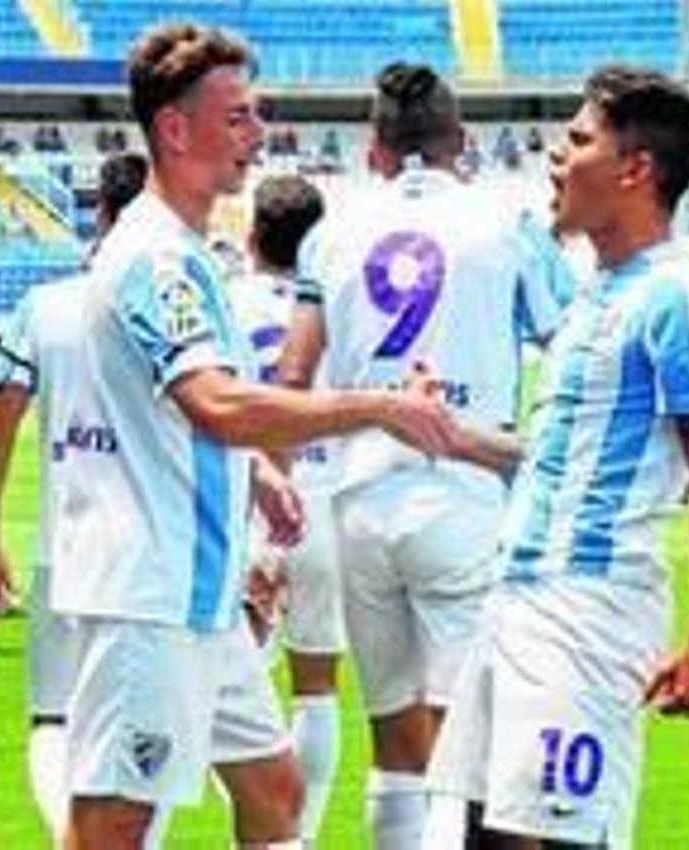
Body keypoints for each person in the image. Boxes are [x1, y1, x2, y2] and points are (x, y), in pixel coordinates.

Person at [51, 24, 488, 849]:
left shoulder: (184, 252)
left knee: (275, 791)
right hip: (152, 593)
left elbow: (178, 408)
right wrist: (378, 407)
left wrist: (257, 472)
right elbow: (216, 402)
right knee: (111, 823)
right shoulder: (156, 259)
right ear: (174, 129)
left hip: (201, 590)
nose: (259, 134)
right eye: (238, 117)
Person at [423, 66, 689, 848]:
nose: (555, 156)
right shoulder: (592, 297)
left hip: (588, 610)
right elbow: (559, 460)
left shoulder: (680, 296)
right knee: (482, 833)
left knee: (564, 834)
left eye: (577, 140)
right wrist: (452, 434)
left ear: (635, 169)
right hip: (516, 594)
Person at [280, 63, 571, 849]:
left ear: (374, 148)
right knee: (469, 751)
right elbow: (570, 346)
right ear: (463, 143)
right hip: (465, 487)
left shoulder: (330, 233)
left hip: (359, 495)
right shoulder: (508, 222)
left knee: (395, 742)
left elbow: (293, 375)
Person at [0, 150, 149, 844]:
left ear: (99, 213)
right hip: (158, 551)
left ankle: (66, 836)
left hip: (67, 544)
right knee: (151, 726)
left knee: (53, 716)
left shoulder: (46, 307)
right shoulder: (188, 301)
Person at [227, 173, 346, 845]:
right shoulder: (335, 306)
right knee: (317, 685)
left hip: (252, 496)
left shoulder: (226, 299)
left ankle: (265, 824)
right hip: (326, 499)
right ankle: (299, 835)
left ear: (251, 236)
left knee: (222, 683)